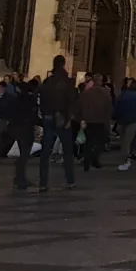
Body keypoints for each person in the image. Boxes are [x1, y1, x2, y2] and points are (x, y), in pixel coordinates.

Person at [38, 55, 78, 191]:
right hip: (62, 119)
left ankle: (43, 182)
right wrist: (69, 118)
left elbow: (41, 100)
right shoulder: (67, 82)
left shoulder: (47, 82)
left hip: (49, 117)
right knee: (67, 151)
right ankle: (70, 179)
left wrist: (45, 114)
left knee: (45, 151)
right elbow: (71, 101)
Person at [7, 74, 41, 191]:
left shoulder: (17, 99)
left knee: (23, 154)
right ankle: (20, 179)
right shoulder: (30, 101)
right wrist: (44, 123)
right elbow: (32, 117)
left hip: (17, 130)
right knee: (24, 156)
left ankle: (20, 178)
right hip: (26, 130)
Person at [78, 75, 111, 170]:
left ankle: (87, 162)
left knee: (88, 142)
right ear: (100, 81)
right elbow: (108, 107)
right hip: (100, 120)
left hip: (88, 120)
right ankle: (95, 158)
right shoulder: (105, 93)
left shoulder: (86, 93)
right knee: (101, 141)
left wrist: (81, 118)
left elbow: (80, 106)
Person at [114, 78, 136, 172]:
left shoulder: (122, 95)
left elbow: (116, 107)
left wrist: (116, 118)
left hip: (122, 120)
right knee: (127, 142)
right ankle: (123, 161)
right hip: (132, 121)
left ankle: (124, 160)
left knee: (123, 141)